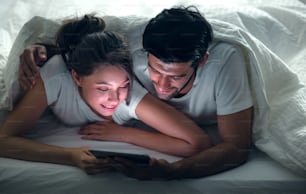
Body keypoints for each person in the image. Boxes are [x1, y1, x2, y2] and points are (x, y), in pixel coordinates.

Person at [18, 6, 254, 180]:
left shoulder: (224, 64)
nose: (161, 86)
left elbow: (236, 148)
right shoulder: (132, 48)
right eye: (154, 70)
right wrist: (43, 50)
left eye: (176, 76)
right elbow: (87, 41)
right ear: (144, 53)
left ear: (201, 61)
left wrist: (170, 171)